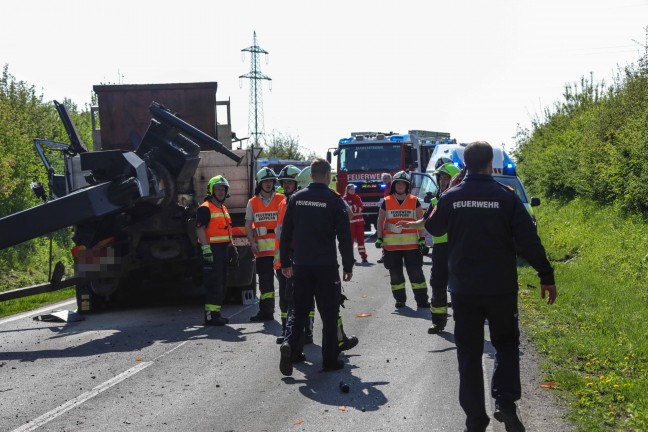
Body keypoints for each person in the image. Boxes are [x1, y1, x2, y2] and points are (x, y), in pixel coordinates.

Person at [426, 141, 557, 432]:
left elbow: (433, 228)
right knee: (506, 345)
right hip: (500, 288)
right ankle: (505, 404)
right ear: (490, 165)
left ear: (464, 166)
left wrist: (447, 192)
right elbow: (528, 241)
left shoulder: (452, 197)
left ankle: (475, 420)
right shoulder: (506, 197)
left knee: (469, 353)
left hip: (464, 291)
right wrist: (546, 275)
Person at [278, 158, 355, 376]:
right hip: (326, 266)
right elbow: (344, 237)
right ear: (328, 175)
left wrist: (285, 262)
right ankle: (330, 360)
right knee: (329, 313)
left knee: (299, 310)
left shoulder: (296, 198)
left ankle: (290, 347)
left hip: (301, 264)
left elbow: (286, 234)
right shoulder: (333, 200)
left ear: (310, 175)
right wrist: (348, 265)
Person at [397, 161, 461, 334]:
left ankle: (463, 322)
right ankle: (438, 322)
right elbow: (426, 222)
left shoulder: (460, 200)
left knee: (461, 285)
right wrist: (409, 225)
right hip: (440, 249)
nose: (442, 181)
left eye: (447, 178)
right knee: (438, 284)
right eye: (441, 178)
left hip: (458, 248)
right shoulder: (436, 200)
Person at [375, 170, 430, 309]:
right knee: (396, 276)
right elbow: (380, 220)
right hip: (391, 248)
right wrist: (379, 238)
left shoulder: (414, 200)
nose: (400, 185)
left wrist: (422, 238)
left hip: (411, 246)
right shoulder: (386, 202)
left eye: (403, 183)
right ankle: (400, 300)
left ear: (407, 186)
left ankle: (422, 300)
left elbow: (420, 220)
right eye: (398, 183)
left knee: (416, 274)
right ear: (394, 185)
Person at [273, 165, 314, 345]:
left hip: (301, 256)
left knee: (305, 295)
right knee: (284, 297)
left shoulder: (301, 201)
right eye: (284, 183)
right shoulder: (282, 202)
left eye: (290, 182)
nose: (287, 185)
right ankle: (286, 331)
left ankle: (308, 330)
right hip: (284, 258)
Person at [196, 175, 237, 326]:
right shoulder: (205, 208)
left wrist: (232, 246)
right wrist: (206, 249)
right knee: (213, 284)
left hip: (223, 250)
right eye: (218, 189)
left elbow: (227, 230)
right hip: (211, 250)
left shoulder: (223, 208)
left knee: (222, 283)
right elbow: (199, 229)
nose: (220, 192)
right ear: (211, 191)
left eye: (223, 189)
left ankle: (216, 314)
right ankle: (210, 316)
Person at [245, 167, 284, 322]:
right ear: (259, 183)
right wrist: (251, 242)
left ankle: (288, 314)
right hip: (262, 251)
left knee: (285, 284)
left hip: (279, 250)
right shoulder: (252, 202)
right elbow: (248, 225)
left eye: (270, 181)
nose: (268, 184)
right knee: (265, 286)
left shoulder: (281, 199)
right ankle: (266, 312)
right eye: (265, 181)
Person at [342, 183, 368, 263]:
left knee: (361, 241)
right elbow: (346, 209)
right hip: (350, 224)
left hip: (359, 223)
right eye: (351, 189)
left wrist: (353, 207)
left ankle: (363, 256)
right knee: (350, 241)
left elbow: (361, 207)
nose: (353, 191)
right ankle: (351, 257)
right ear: (347, 190)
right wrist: (355, 207)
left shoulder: (357, 197)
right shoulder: (344, 199)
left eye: (354, 189)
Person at [377, 172, 392, 264]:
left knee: (387, 233)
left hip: (390, 213)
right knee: (384, 233)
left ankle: (387, 255)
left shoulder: (391, 187)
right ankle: (385, 255)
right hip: (386, 212)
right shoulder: (386, 188)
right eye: (383, 178)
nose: (384, 180)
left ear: (390, 179)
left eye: (386, 178)